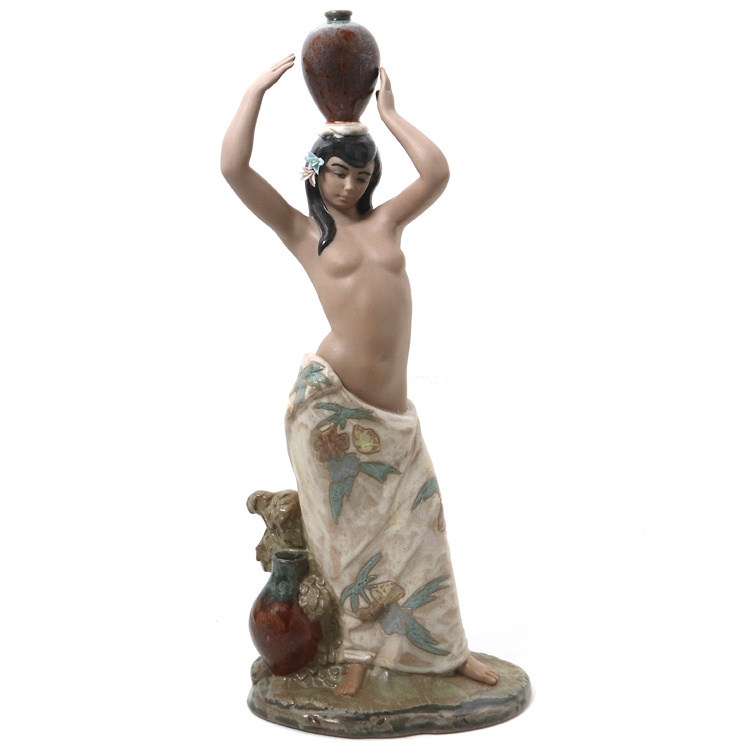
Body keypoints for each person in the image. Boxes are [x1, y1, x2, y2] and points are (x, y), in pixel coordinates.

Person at [222, 54, 499, 696]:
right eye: (338, 172)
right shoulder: (304, 234)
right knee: (345, 537)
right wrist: (255, 91)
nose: (348, 186)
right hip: (330, 409)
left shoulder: (388, 221)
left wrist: (390, 116)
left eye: (361, 175)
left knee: (423, 529)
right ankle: (358, 652)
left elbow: (438, 172)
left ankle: (446, 652)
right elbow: (234, 169)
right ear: (315, 173)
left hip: (393, 416)